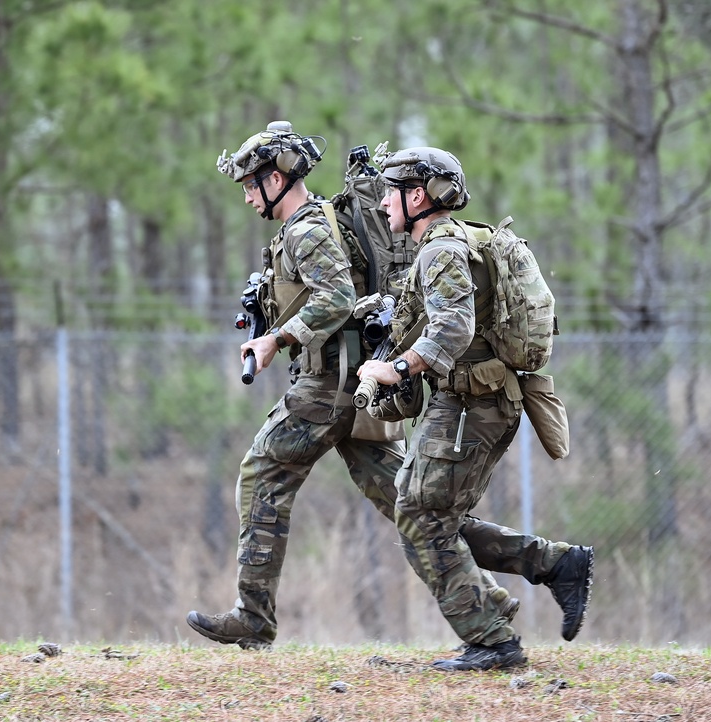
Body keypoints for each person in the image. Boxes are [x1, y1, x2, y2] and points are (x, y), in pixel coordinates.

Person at [186, 123, 592, 654]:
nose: (245, 194)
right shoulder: (314, 228)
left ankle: (254, 616)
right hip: (356, 383)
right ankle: (537, 568)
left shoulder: (311, 229)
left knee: (265, 474)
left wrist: (279, 340)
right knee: (414, 504)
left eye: (251, 182)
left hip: (331, 387)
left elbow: (339, 301)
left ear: (279, 179)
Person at [357, 146, 594, 671]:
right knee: (425, 511)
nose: (383, 202)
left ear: (417, 196)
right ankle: (557, 565)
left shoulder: (441, 249)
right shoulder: (441, 245)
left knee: (421, 517)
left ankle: (493, 640)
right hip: (464, 398)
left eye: (391, 191)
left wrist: (396, 370)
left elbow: (454, 326)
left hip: (476, 402)